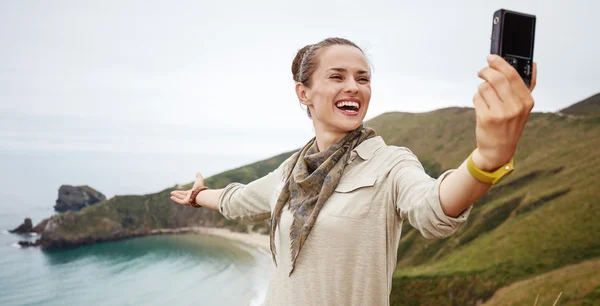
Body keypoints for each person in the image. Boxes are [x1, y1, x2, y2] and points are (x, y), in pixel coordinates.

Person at [169, 37, 537, 305]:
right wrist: (199, 196)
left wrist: (487, 159)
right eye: (338, 76)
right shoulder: (290, 172)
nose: (354, 87)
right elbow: (239, 200)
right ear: (304, 93)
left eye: (362, 78)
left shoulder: (390, 163)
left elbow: (435, 207)